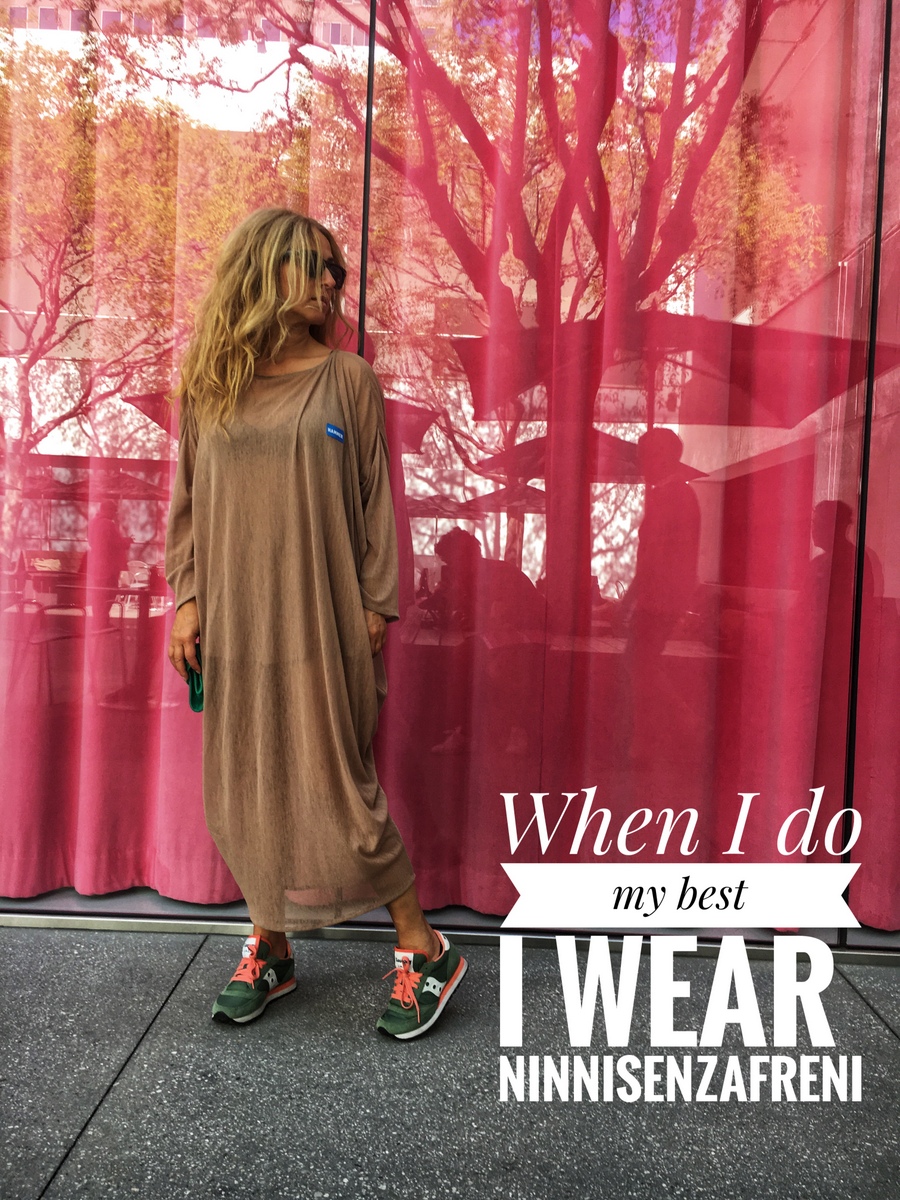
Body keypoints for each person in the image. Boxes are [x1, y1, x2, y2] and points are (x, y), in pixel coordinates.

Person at [164, 208, 466, 1036]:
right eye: (313, 264)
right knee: (247, 785)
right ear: (264, 268)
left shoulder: (347, 380)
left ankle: (424, 947)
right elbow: (187, 504)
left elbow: (376, 504)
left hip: (325, 618)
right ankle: (271, 945)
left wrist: (375, 606)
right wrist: (187, 598)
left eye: (336, 270)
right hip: (237, 621)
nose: (331, 282)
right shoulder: (212, 381)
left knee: (339, 788)